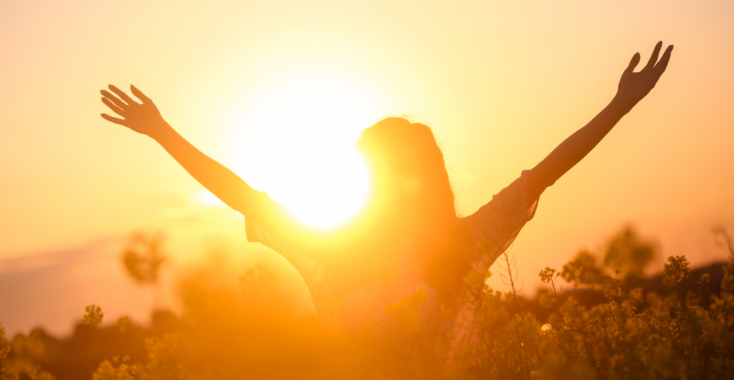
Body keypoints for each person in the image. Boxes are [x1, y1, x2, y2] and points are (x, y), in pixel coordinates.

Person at [100, 42, 673, 359]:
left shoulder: (463, 244)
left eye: (384, 172)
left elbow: (546, 172)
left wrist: (620, 105)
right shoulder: (332, 252)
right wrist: (162, 131)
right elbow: (241, 195)